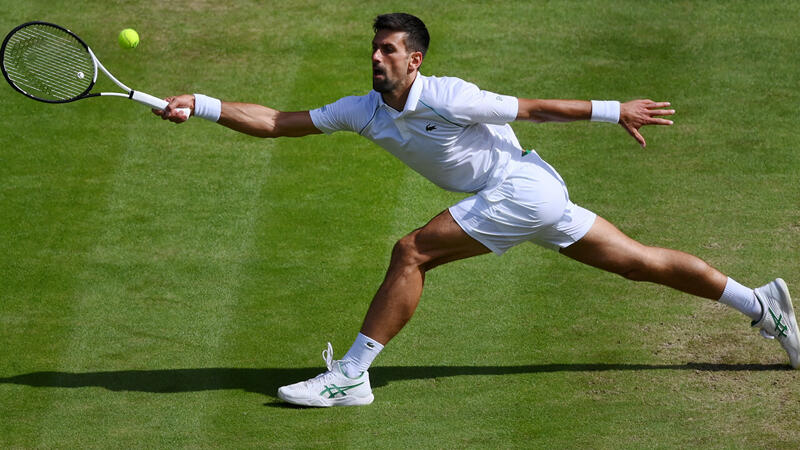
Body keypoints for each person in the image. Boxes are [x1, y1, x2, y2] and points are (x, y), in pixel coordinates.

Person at [155, 13, 799, 407]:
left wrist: (614, 110)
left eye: (389, 51)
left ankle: (351, 376)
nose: (377, 59)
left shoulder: (449, 96)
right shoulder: (364, 109)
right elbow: (276, 121)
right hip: (530, 195)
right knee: (638, 263)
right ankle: (761, 303)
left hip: (521, 189)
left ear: (416, 59)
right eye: (374, 50)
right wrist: (204, 104)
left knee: (412, 251)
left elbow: (532, 109)